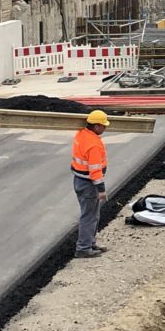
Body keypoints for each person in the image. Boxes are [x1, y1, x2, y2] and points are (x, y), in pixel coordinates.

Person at [71, 110, 110, 258]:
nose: (105, 128)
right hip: (89, 184)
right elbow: (95, 171)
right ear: (97, 126)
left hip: (79, 180)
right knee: (89, 216)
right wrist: (101, 190)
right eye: (103, 126)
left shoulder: (81, 134)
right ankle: (83, 248)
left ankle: (90, 243)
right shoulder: (94, 145)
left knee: (93, 214)